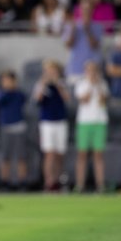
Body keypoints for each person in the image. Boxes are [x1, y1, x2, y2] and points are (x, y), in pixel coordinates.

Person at [33, 59, 70, 192]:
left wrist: (57, 84)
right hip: (47, 122)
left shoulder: (62, 84)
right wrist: (44, 84)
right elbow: (37, 99)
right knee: (49, 153)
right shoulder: (41, 84)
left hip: (60, 121)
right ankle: (49, 181)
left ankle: (59, 179)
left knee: (59, 153)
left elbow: (67, 98)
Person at [74, 61, 109, 193]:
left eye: (94, 70)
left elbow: (103, 100)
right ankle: (80, 185)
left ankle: (100, 185)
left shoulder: (103, 84)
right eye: (89, 70)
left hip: (100, 122)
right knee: (82, 154)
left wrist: (98, 86)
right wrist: (91, 85)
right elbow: (84, 99)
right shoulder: (81, 84)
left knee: (98, 154)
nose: (92, 73)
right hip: (84, 122)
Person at [0, 70, 28, 191]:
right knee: (5, 156)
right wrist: (7, 91)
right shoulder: (1, 94)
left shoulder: (18, 94)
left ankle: (22, 182)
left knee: (21, 156)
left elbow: (23, 99)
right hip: (5, 128)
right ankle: (5, 182)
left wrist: (13, 89)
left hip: (18, 127)